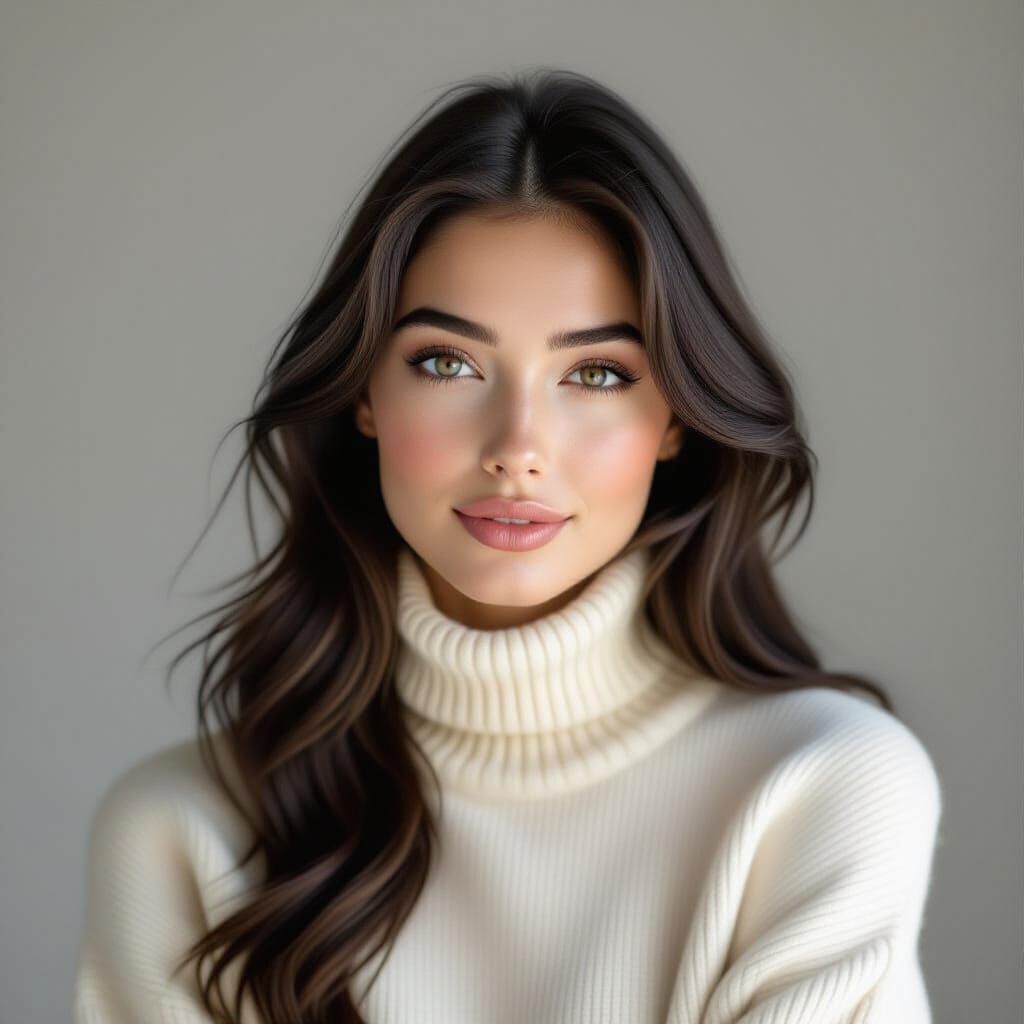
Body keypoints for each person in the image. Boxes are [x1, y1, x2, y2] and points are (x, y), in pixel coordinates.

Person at [73, 69, 943, 1024]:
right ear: (366, 393)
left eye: (599, 373)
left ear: (678, 418)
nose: (517, 449)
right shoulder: (177, 835)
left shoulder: (822, 790)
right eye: (447, 362)